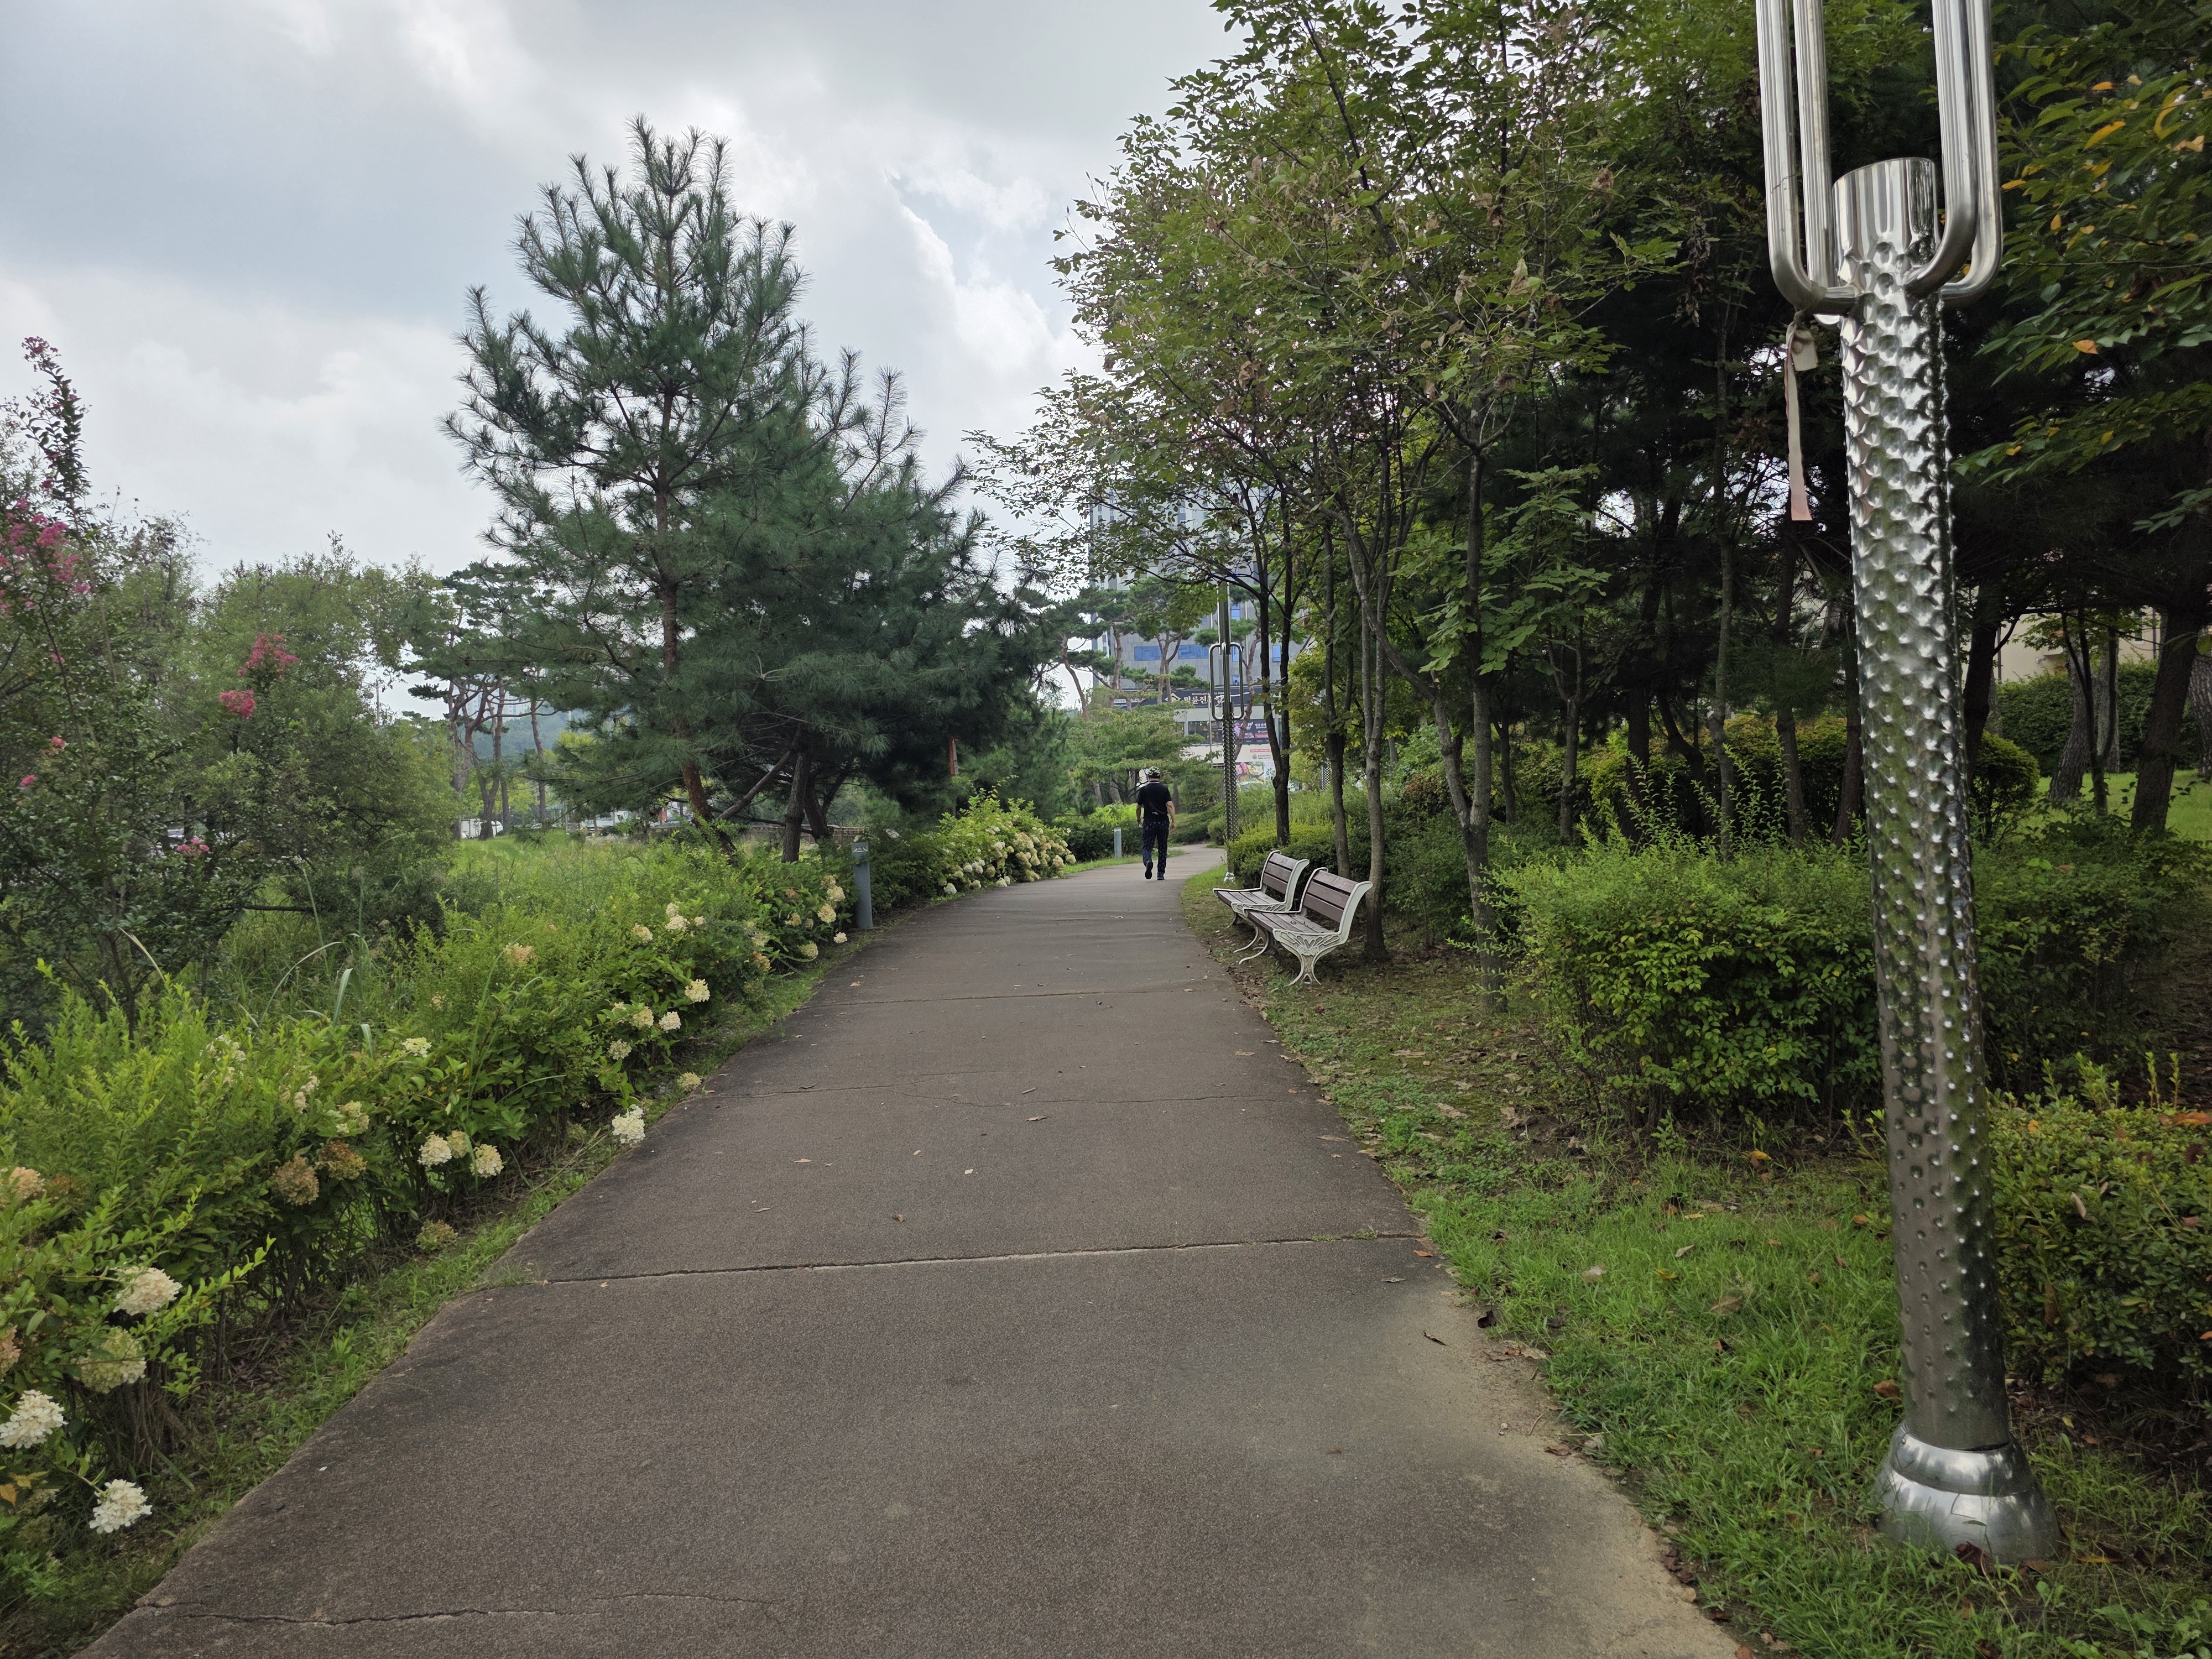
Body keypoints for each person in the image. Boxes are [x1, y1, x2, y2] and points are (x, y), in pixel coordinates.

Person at [1134, 767, 1175, 880]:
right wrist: (1173, 821)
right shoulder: (1164, 789)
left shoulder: (1144, 790)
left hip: (1149, 822)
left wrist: (1138, 819)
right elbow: (1170, 805)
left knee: (1147, 846)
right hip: (1163, 822)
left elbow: (1138, 807)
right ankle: (1161, 873)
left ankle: (1148, 861)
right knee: (1162, 847)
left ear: (1149, 777)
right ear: (1159, 776)